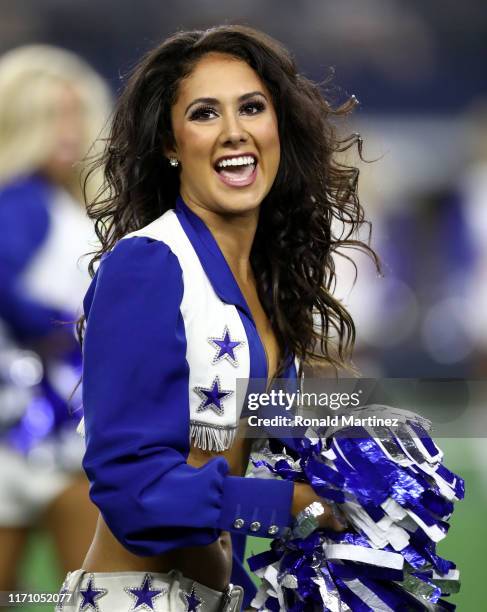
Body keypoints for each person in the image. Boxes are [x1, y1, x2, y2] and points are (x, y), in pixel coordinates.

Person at [60, 26, 377, 611]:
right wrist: (295, 504)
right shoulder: (148, 264)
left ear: (278, 127)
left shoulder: (269, 280)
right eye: (205, 113)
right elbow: (132, 489)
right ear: (169, 144)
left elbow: (248, 453)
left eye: (252, 107)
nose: (235, 131)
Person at [0, 45, 110, 592]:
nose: (68, 130)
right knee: (98, 595)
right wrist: (54, 325)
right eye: (50, 115)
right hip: (43, 429)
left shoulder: (60, 199)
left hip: (40, 426)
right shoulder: (23, 199)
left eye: (75, 114)